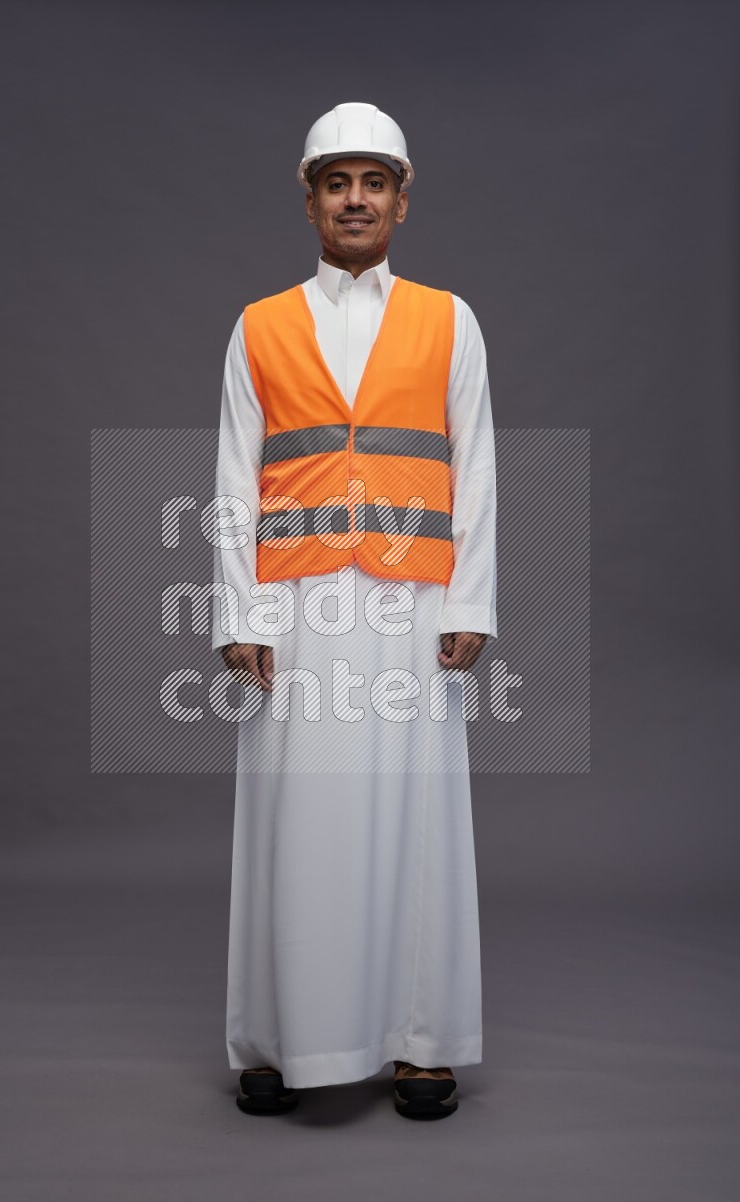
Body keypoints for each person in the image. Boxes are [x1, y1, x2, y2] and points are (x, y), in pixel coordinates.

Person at [211, 102, 498, 1120]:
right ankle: (275, 1037)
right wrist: (236, 613)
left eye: (372, 181)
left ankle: (421, 1042)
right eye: (335, 182)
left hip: (412, 603)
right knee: (289, 813)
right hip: (292, 609)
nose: (354, 198)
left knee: (416, 811)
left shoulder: (447, 317)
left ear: (401, 200)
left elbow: (475, 466)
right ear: (309, 200)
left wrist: (471, 597)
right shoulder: (258, 324)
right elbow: (234, 482)